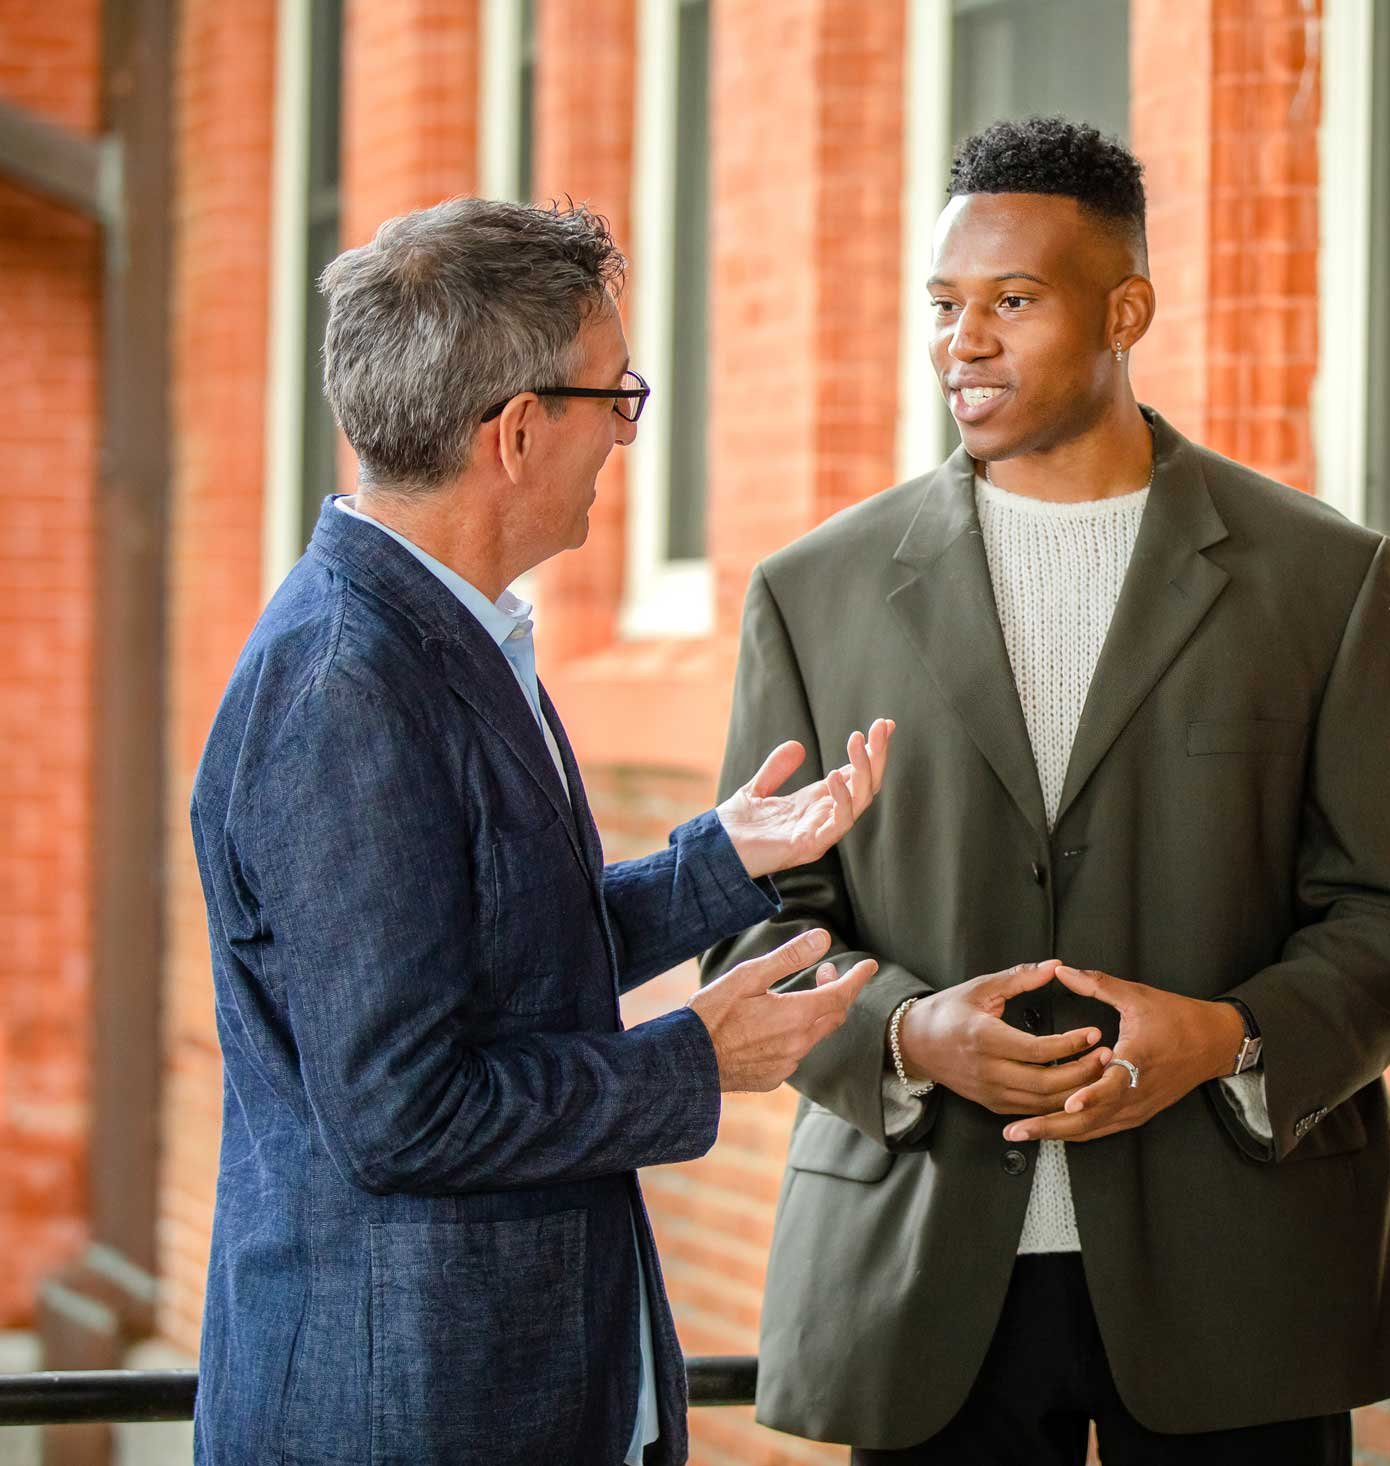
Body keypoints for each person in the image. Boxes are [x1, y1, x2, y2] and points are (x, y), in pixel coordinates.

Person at [700, 117, 1390, 1465]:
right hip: (925, 1277)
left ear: (1126, 311)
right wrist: (904, 1031)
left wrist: (1226, 1034)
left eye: (1012, 300)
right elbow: (751, 928)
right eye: (944, 304)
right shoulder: (812, 593)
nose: (964, 341)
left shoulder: (1323, 579)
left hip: (1241, 1283)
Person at [188, 198, 891, 1465]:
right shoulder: (348, 687)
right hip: (410, 1417)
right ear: (518, 432)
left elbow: (498, 958)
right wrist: (697, 1055)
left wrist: (720, 864)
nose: (627, 432)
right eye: (615, 393)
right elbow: (405, 1114)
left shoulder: (444, 632)